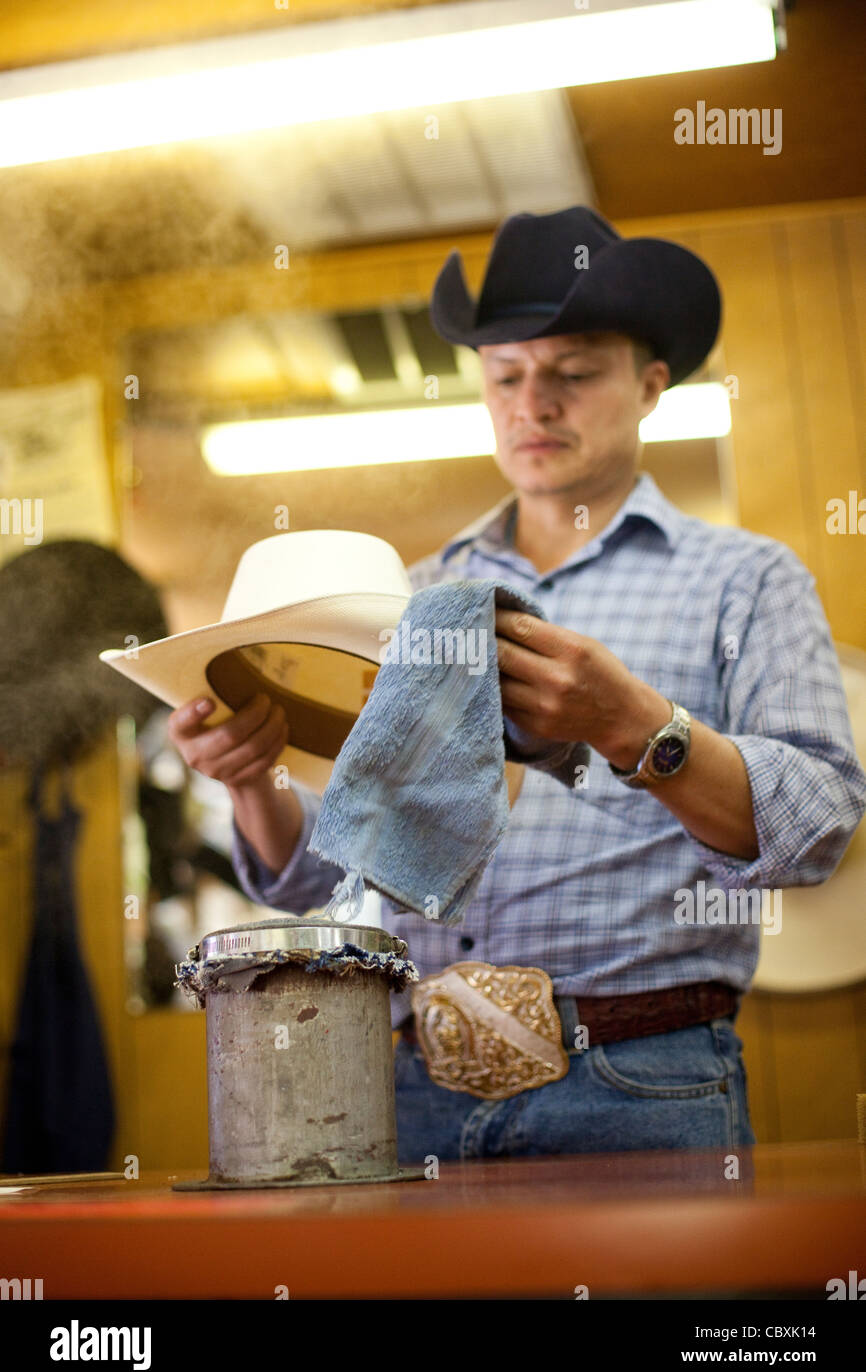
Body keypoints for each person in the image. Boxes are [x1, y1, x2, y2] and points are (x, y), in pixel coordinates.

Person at [167, 206, 866, 1164]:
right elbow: (324, 879)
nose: (534, 401)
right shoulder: (408, 600)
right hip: (410, 1082)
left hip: (641, 1082)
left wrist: (637, 729)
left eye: (573, 373)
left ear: (651, 385)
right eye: (506, 376)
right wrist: (251, 781)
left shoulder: (746, 579)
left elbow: (818, 825)